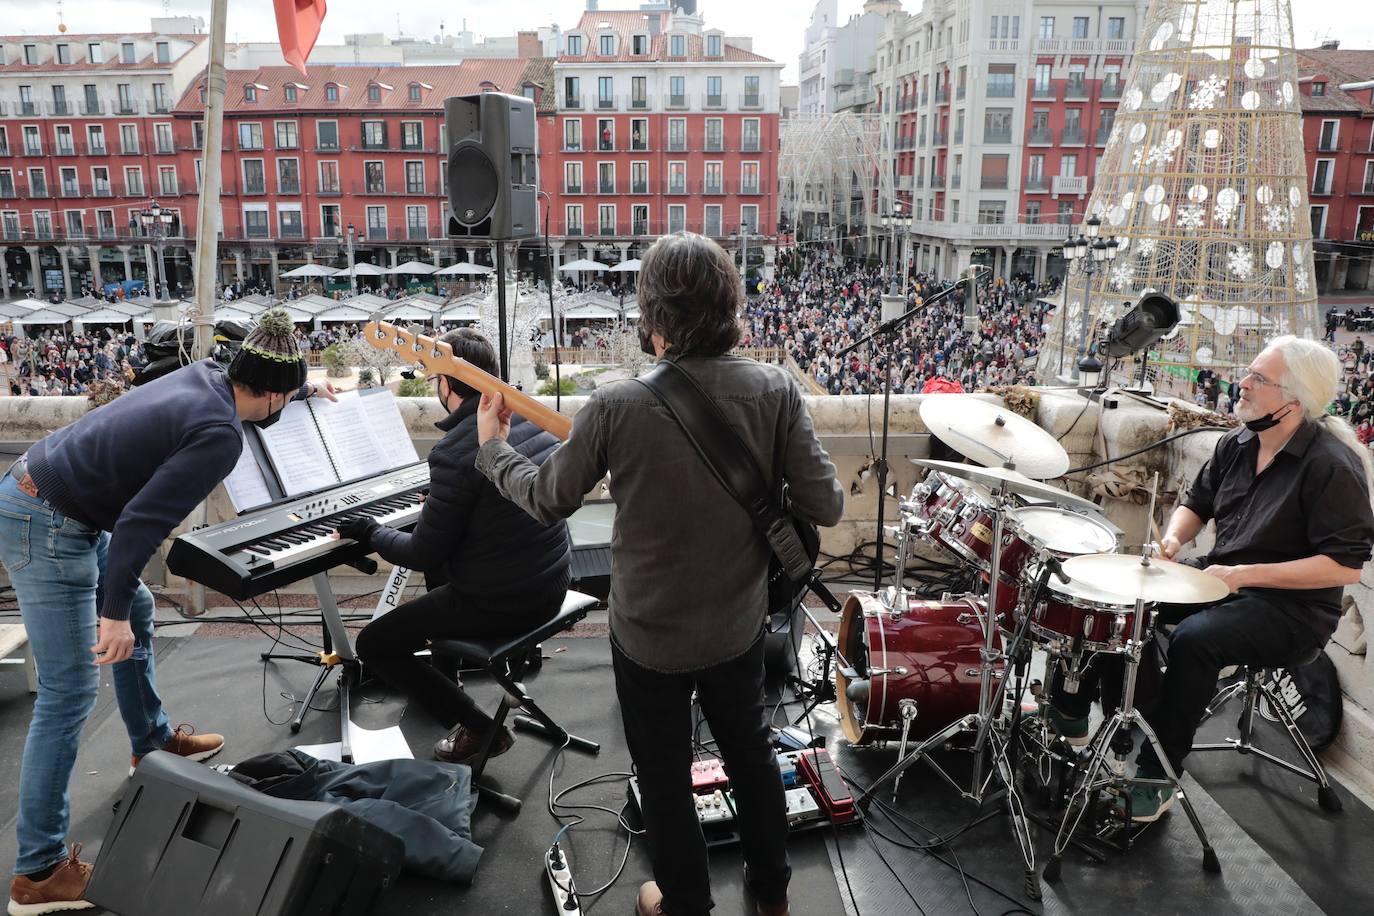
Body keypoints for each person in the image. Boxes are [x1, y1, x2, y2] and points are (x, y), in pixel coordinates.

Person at [474, 233, 844, 916]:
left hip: (648, 638)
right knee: (753, 757)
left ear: (653, 315)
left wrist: (493, 449)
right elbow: (826, 505)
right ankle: (770, 899)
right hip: (736, 629)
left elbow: (546, 499)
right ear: (731, 306)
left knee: (665, 778)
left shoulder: (616, 406)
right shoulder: (776, 391)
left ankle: (684, 905)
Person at [1, 308, 333, 915]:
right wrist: (112, 614)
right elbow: (140, 525)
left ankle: (150, 744)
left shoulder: (213, 374)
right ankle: (37, 872)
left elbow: (259, 373)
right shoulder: (219, 434)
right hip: (47, 523)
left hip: (56, 499)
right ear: (273, 393)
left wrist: (305, 386)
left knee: (144, 609)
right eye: (287, 395)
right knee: (70, 692)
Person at [1052, 337, 1374, 822]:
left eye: (1258, 379)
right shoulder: (1237, 441)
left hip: (1293, 608)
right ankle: (1077, 710)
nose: (1241, 383)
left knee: (1196, 641)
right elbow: (1196, 504)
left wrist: (1246, 574)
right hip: (1224, 576)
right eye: (1250, 372)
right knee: (1120, 597)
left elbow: (1345, 565)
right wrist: (1174, 542)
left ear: (1294, 400)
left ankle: (1157, 772)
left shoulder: (1331, 465)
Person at [339, 328, 570, 765]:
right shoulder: (532, 418)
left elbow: (421, 553)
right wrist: (442, 510)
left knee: (374, 644)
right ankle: (450, 683)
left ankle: (482, 730)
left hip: (506, 601)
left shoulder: (453, 451)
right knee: (440, 575)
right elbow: (497, 507)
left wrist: (370, 533)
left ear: (446, 384)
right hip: (551, 582)